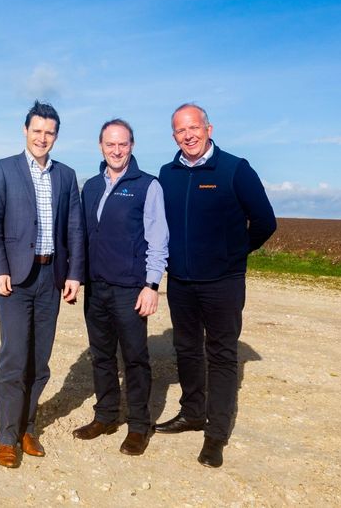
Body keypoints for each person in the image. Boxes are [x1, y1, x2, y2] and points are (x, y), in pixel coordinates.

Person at [155, 103, 277, 468]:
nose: (188, 135)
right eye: (180, 130)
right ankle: (192, 413)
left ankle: (216, 433)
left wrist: (233, 253)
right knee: (187, 349)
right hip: (180, 281)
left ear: (209, 129)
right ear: (174, 136)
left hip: (223, 282)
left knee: (222, 355)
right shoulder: (167, 173)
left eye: (194, 127)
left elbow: (265, 222)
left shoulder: (235, 169)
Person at [0, 100, 84, 468]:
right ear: (25, 130)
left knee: (40, 361)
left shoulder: (66, 176)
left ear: (56, 136)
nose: (42, 138)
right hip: (15, 279)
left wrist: (74, 274)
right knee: (14, 357)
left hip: (51, 277)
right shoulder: (3, 169)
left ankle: (27, 428)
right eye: (37, 130)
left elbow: (74, 228)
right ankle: (6, 437)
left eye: (49, 132)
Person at [72, 119, 168, 456]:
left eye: (123, 144)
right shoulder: (91, 187)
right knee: (101, 355)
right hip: (96, 288)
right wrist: (75, 276)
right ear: (101, 146)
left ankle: (139, 425)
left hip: (130, 289)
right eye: (110, 144)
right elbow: (82, 235)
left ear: (132, 146)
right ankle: (106, 416)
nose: (116, 150)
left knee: (135, 358)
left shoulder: (147, 186)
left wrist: (151, 285)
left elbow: (158, 240)